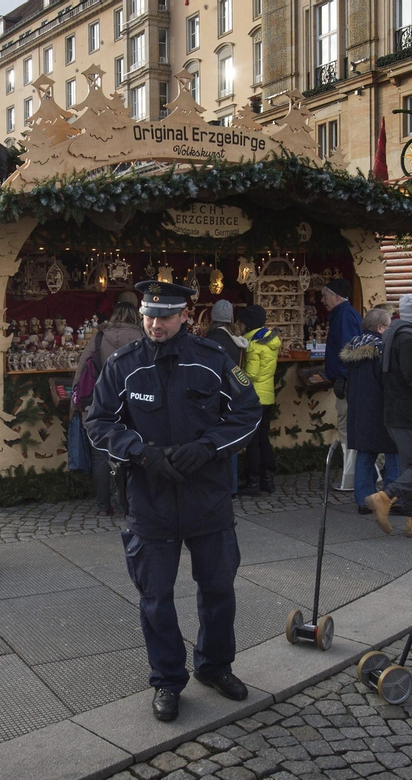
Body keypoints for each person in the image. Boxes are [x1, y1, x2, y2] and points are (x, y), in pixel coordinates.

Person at [85, 280, 263, 723]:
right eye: (149, 315)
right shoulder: (123, 364)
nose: (155, 324)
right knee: (156, 597)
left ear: (185, 315)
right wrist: (139, 452)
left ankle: (215, 666)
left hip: (208, 496)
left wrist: (209, 447)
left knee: (218, 590)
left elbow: (248, 411)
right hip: (151, 499)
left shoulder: (213, 359)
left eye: (165, 316)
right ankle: (167, 679)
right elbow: (99, 421)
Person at [365, 294, 412, 537]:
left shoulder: (392, 335)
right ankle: (385, 497)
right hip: (410, 414)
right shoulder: (407, 339)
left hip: (396, 412)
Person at [76, 293, 145, 515]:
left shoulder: (99, 337)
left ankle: (104, 505)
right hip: (134, 405)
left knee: (100, 455)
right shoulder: (143, 337)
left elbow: (81, 369)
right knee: (133, 452)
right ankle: (130, 502)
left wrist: (76, 404)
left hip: (100, 402)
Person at [341, 307, 398, 513]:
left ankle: (364, 501)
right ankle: (392, 498)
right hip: (381, 409)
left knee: (365, 454)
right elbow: (388, 382)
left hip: (359, 410)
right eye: (389, 326)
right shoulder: (382, 349)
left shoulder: (354, 347)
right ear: (380, 327)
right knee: (394, 452)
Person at [321, 278, 363, 491]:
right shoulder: (345, 314)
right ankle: (362, 474)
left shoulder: (344, 316)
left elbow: (348, 350)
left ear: (337, 296)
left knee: (347, 429)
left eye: (325, 296)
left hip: (347, 382)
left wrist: (343, 377)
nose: (322, 300)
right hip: (348, 381)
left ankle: (352, 477)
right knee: (349, 428)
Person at [238, 304, 280, 495]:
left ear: (247, 324)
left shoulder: (253, 345)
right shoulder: (269, 341)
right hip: (267, 396)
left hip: (254, 398)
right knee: (263, 438)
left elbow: (251, 374)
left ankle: (253, 481)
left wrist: (236, 374)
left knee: (252, 441)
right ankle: (268, 479)